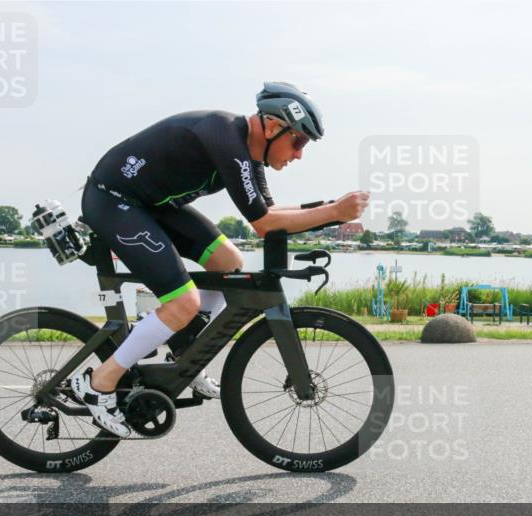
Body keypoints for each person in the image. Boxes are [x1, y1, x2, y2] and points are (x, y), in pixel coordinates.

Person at [72, 82, 369, 437]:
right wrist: (333, 211)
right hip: (113, 202)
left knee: (229, 261)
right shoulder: (225, 139)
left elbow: (269, 212)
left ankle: (184, 350)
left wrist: (331, 211)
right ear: (273, 127)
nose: (299, 154)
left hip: (151, 206)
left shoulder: (249, 152)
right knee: (182, 303)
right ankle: (99, 384)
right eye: (299, 141)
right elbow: (264, 224)